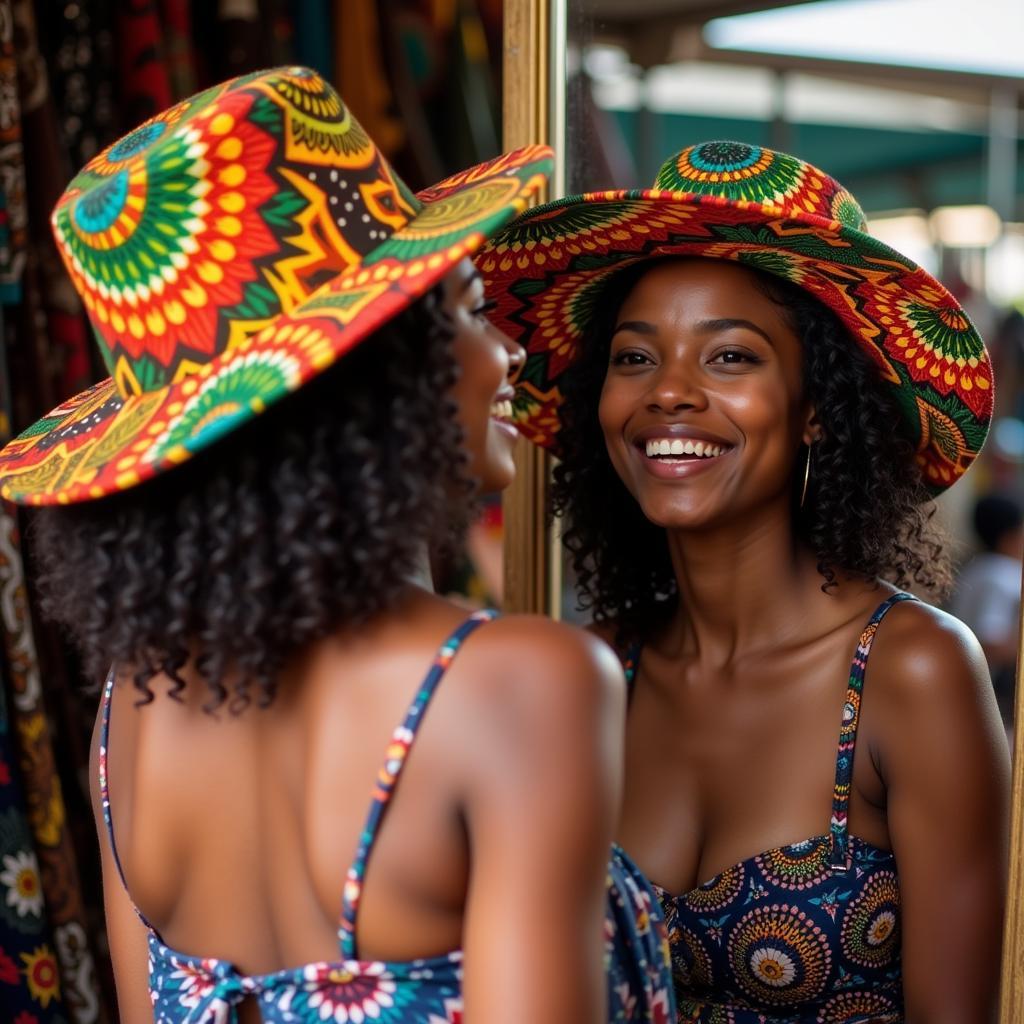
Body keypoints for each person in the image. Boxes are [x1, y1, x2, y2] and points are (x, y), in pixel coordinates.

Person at [0, 69, 674, 1024]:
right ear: (374, 377)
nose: (508, 352)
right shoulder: (521, 683)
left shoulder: (132, 714)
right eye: (471, 309)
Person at [477, 141, 1009, 1022]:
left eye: (730, 358)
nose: (670, 394)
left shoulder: (912, 672)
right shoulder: (594, 673)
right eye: (635, 357)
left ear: (815, 409)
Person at [950, 493, 1023, 726]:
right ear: (1009, 537)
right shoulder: (1002, 574)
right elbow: (991, 642)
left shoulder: (977, 568)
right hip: (985, 698)